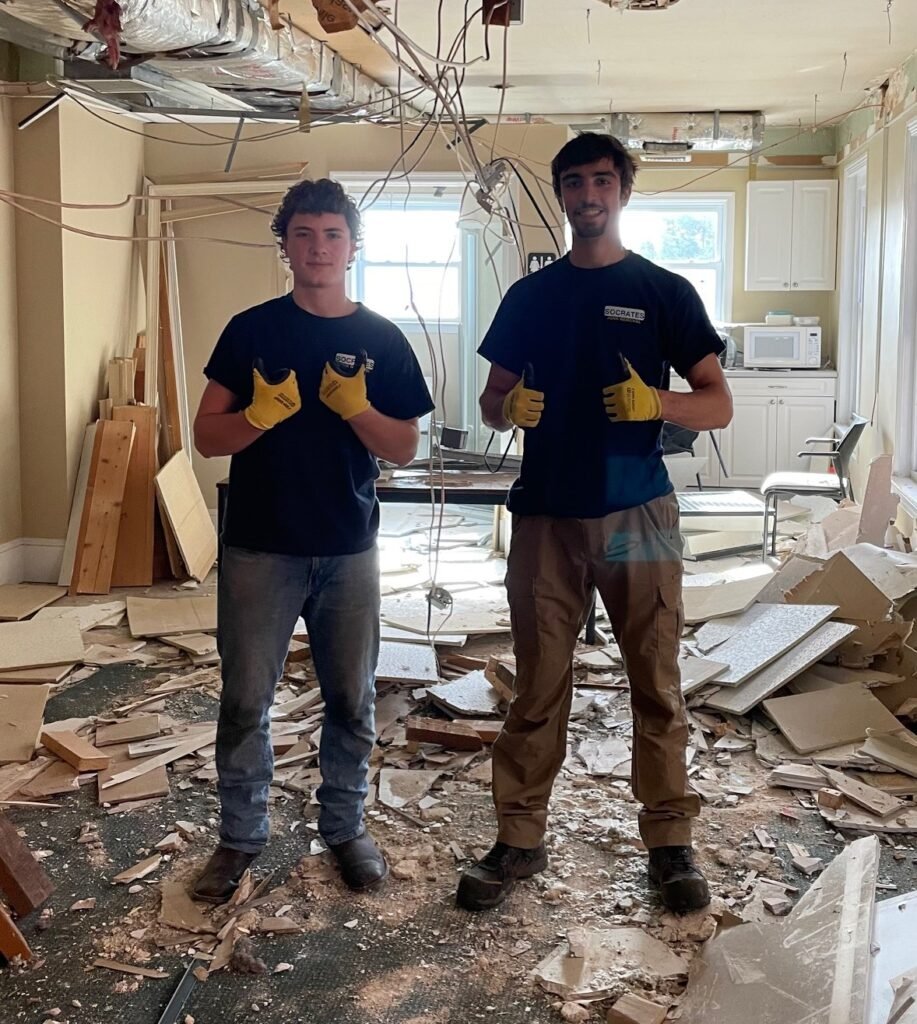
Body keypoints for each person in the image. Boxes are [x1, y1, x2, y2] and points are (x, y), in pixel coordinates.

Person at [456, 133, 733, 914]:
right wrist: (504, 409)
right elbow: (489, 398)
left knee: (655, 680)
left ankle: (669, 846)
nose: (587, 195)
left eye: (601, 181)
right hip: (546, 514)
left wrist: (660, 403)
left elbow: (716, 401)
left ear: (622, 191)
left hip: (638, 507)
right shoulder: (531, 297)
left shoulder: (663, 291)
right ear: (561, 193)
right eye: (574, 182)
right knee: (537, 684)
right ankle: (518, 839)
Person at [192, 178, 434, 903]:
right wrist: (259, 418)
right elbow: (205, 436)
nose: (318, 248)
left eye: (332, 235)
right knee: (244, 702)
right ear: (286, 246)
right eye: (304, 235)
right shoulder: (251, 330)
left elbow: (404, 449)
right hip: (260, 548)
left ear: (353, 247)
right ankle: (238, 837)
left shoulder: (382, 338)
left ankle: (344, 826)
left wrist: (358, 411)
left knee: (351, 701)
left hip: (348, 549)